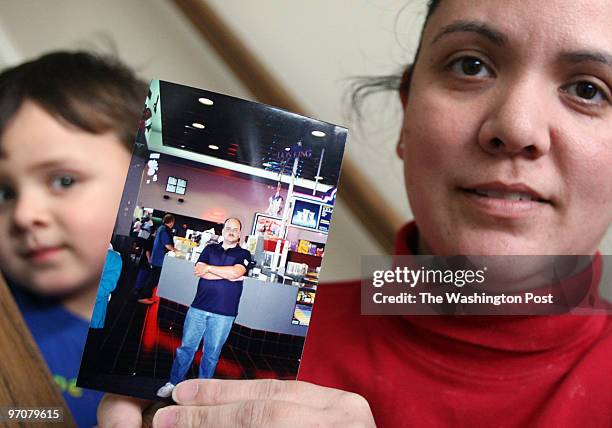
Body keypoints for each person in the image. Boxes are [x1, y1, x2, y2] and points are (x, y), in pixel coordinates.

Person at [98, 0, 612, 426]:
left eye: (589, 89)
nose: (517, 127)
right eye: (469, 65)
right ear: (407, 115)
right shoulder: (269, 351)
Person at [0, 50, 147, 428]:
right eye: (3, 193)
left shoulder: (161, 337)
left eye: (63, 180)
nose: (24, 214)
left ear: (142, 180)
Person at [156, 217, 252, 398]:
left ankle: (202, 390)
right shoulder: (209, 248)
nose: (231, 231)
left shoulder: (244, 254)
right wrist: (226, 274)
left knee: (211, 354)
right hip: (198, 308)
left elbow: (236, 272)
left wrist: (212, 269)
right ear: (223, 230)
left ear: (239, 233)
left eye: (235, 229)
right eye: (228, 227)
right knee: (186, 348)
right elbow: (199, 270)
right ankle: (174, 382)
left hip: (224, 313)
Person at [137, 214, 176, 305]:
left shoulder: (161, 228)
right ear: (171, 222)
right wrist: (176, 250)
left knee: (152, 278)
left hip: (157, 258)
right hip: (159, 259)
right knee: (153, 279)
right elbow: (167, 245)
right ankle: (143, 297)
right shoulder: (164, 230)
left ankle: (144, 296)